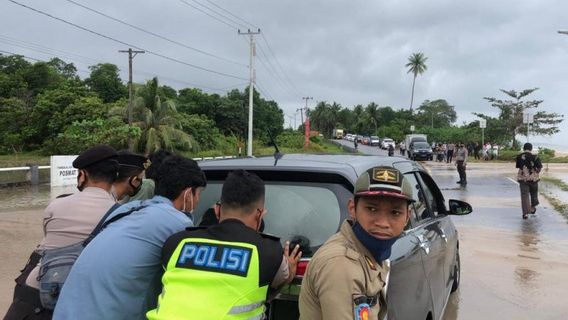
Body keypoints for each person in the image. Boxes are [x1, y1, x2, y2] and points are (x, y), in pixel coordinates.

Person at [53, 155, 207, 320]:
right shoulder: (178, 224)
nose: (198, 201)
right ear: (188, 194)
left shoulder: (125, 210)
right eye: (198, 194)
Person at [146, 170, 302, 319]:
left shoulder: (176, 244)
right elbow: (280, 278)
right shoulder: (270, 253)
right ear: (260, 214)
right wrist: (289, 272)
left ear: (217, 210)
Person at [4, 145, 119, 319]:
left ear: (83, 174)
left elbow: (47, 242)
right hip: (82, 300)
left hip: (36, 293)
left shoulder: (56, 205)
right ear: (115, 177)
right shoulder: (121, 214)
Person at [299, 166, 413, 320]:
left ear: (407, 217)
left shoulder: (369, 251)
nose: (383, 223)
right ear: (352, 208)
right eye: (372, 209)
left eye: (395, 213)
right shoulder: (341, 264)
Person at [516, 143, 543, 220]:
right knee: (534, 194)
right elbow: (539, 167)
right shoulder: (535, 157)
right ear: (531, 149)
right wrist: (536, 172)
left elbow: (519, 167)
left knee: (524, 196)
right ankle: (532, 208)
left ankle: (525, 214)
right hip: (533, 179)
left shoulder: (519, 156)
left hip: (523, 179)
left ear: (524, 148)